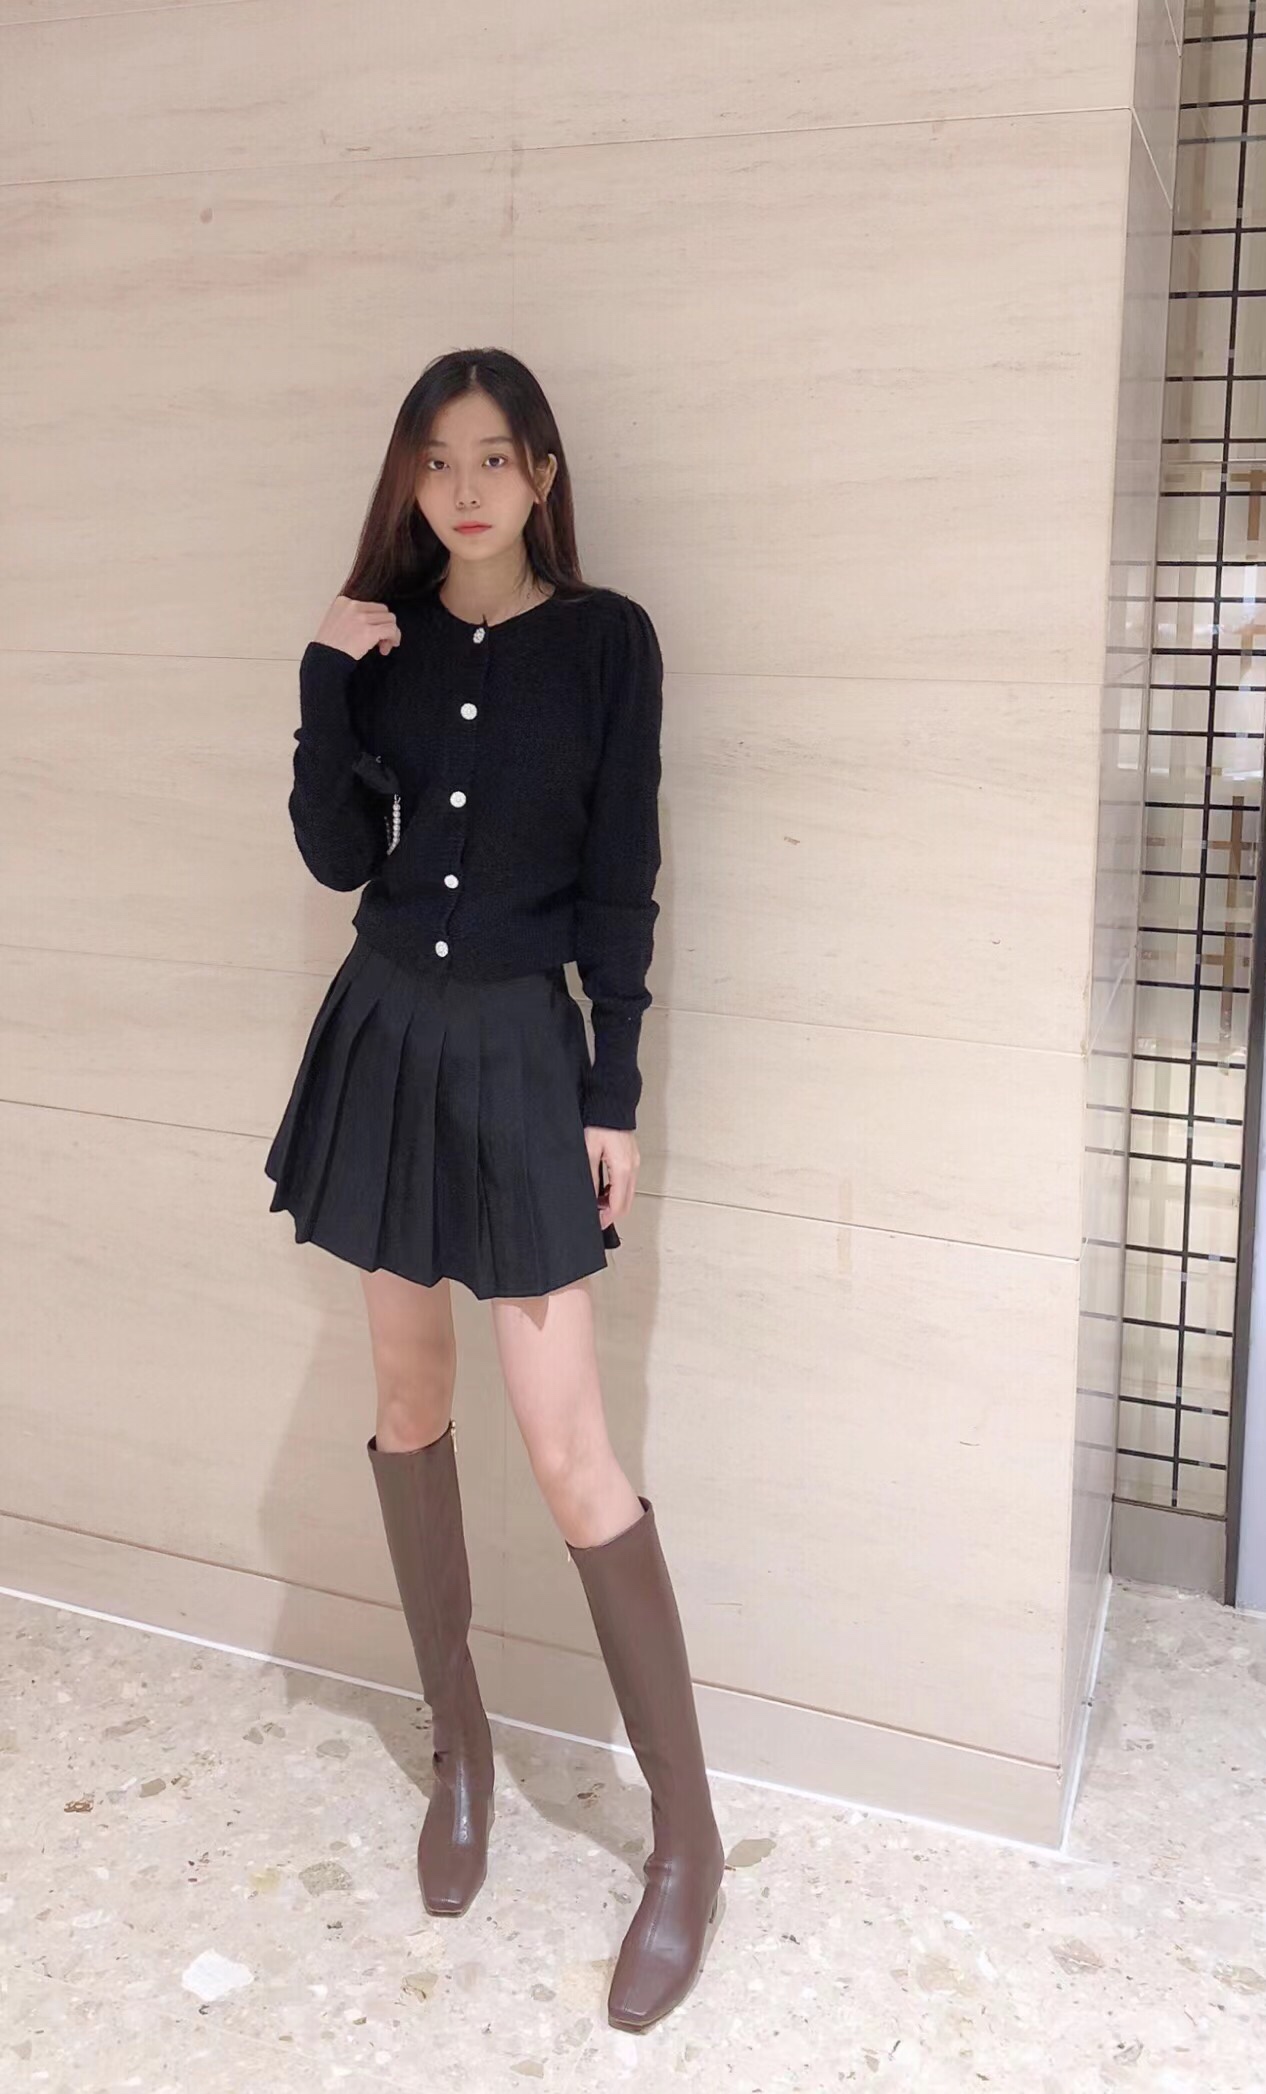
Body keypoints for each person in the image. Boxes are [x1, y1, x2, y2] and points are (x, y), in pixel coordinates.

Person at [263, 348, 725, 2030]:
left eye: (494, 458)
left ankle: (686, 1839)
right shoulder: (380, 644)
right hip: (387, 1031)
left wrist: (612, 1091)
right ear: (411, 478)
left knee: (569, 1448)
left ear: (542, 474)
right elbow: (338, 855)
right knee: (407, 1399)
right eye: (437, 460)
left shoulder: (607, 644)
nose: (464, 489)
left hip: (529, 1056)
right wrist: (323, 679)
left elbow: (623, 881)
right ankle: (459, 1751)